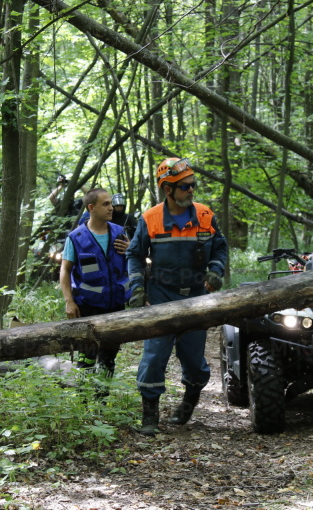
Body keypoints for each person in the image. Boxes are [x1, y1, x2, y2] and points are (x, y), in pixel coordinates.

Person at [126, 157, 228, 435]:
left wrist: (216, 271)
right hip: (161, 297)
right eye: (185, 187)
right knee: (154, 356)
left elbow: (220, 249)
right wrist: (137, 287)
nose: (191, 190)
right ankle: (150, 416)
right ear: (167, 190)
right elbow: (134, 255)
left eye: (193, 185)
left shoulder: (205, 216)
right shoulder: (150, 219)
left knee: (194, 361)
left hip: (196, 298)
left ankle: (188, 402)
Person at [59, 188, 131, 380]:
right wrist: (69, 301)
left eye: (111, 203)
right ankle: (84, 402)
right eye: (105, 204)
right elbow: (65, 271)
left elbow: (132, 265)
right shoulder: (76, 238)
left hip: (116, 306)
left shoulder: (119, 233)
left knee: (108, 359)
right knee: (86, 358)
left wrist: (131, 249)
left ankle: (102, 400)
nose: (111, 208)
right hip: (87, 308)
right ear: (91, 208)